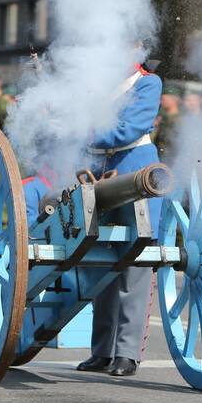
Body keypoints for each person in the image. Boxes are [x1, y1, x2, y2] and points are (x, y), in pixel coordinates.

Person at [76, 61, 163, 378]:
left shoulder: (147, 83)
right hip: (100, 174)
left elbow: (130, 128)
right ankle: (101, 351)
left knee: (133, 271)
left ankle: (126, 353)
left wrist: (87, 133)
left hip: (135, 174)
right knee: (100, 268)